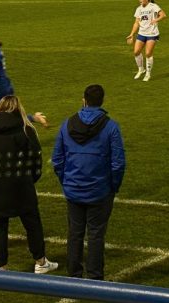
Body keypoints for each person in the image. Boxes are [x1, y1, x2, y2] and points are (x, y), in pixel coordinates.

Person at [0, 96, 58, 273]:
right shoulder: (26, 129)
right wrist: (30, 179)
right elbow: (36, 160)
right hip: (21, 186)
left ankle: (1, 267)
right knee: (32, 223)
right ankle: (40, 262)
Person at [51, 84, 125, 281]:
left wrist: (66, 181)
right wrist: (113, 186)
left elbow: (57, 159)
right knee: (96, 234)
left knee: (74, 233)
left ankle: (73, 274)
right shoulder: (111, 127)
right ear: (102, 101)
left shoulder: (67, 124)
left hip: (73, 189)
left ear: (83, 100)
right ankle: (94, 276)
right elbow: (118, 163)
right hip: (100, 191)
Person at [127, 0, 165, 82]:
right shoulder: (138, 9)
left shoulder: (153, 6)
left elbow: (163, 15)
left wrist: (156, 20)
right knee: (136, 52)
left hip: (152, 34)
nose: (139, 0)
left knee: (148, 54)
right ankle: (141, 69)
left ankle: (148, 73)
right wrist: (132, 34)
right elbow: (136, 23)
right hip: (141, 33)